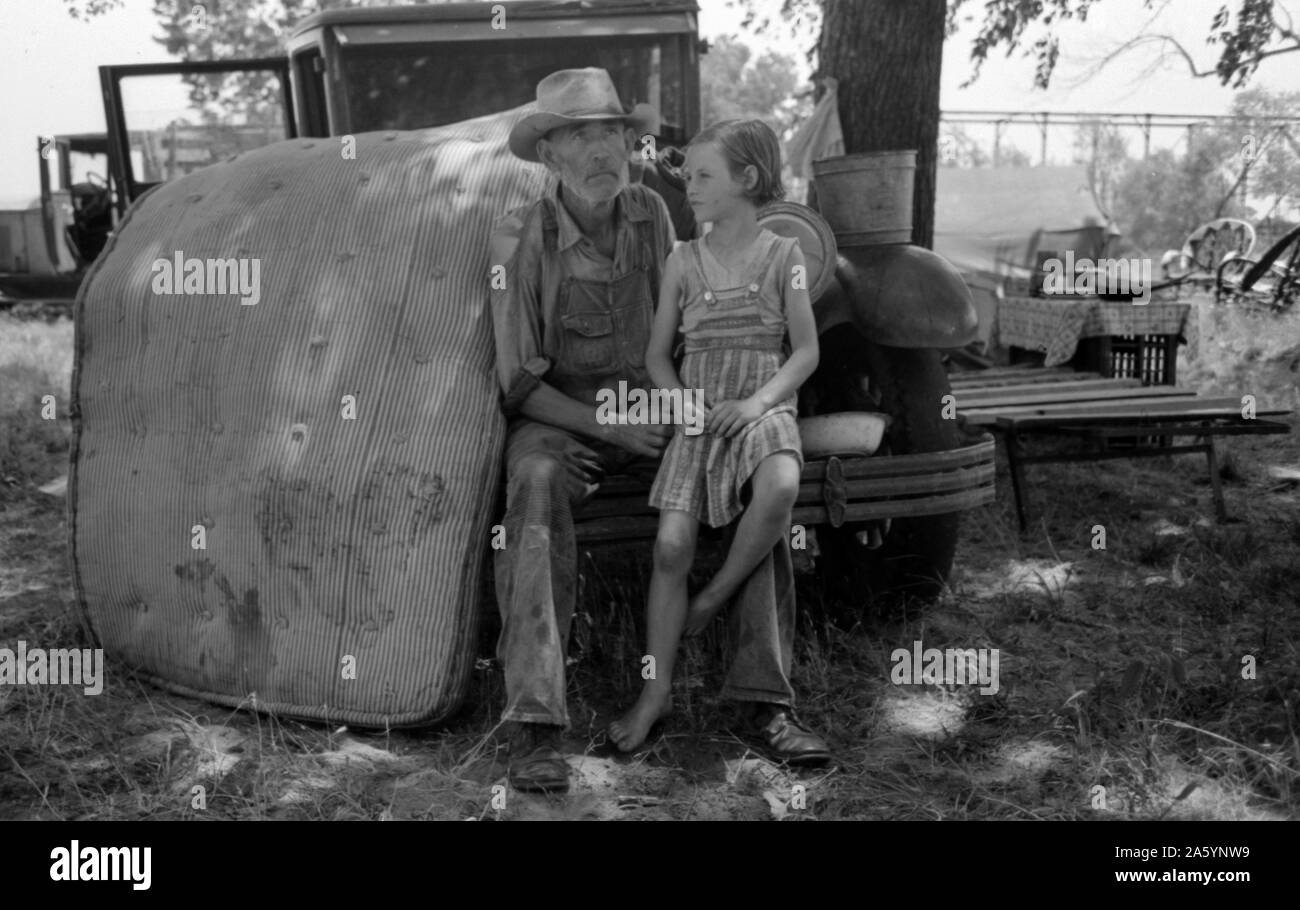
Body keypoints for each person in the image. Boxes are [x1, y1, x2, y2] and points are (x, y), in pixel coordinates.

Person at [608, 120, 831, 765]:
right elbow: (657, 355)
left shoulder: (784, 254)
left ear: (748, 180)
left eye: (704, 176)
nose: (690, 187)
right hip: (701, 407)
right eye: (689, 176)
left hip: (760, 403)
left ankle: (716, 596)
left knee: (781, 484)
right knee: (670, 545)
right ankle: (655, 692)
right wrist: (683, 402)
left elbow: (807, 350)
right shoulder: (682, 260)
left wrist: (762, 402)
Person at [488, 68, 679, 794]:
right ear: (549, 156)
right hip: (560, 418)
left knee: (754, 468)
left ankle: (764, 701)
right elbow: (516, 384)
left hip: (648, 406)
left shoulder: (651, 212)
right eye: (580, 136)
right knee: (533, 486)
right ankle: (535, 723)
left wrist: (678, 416)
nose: (602, 151)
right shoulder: (519, 237)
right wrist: (610, 425)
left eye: (613, 134)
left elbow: (674, 330)